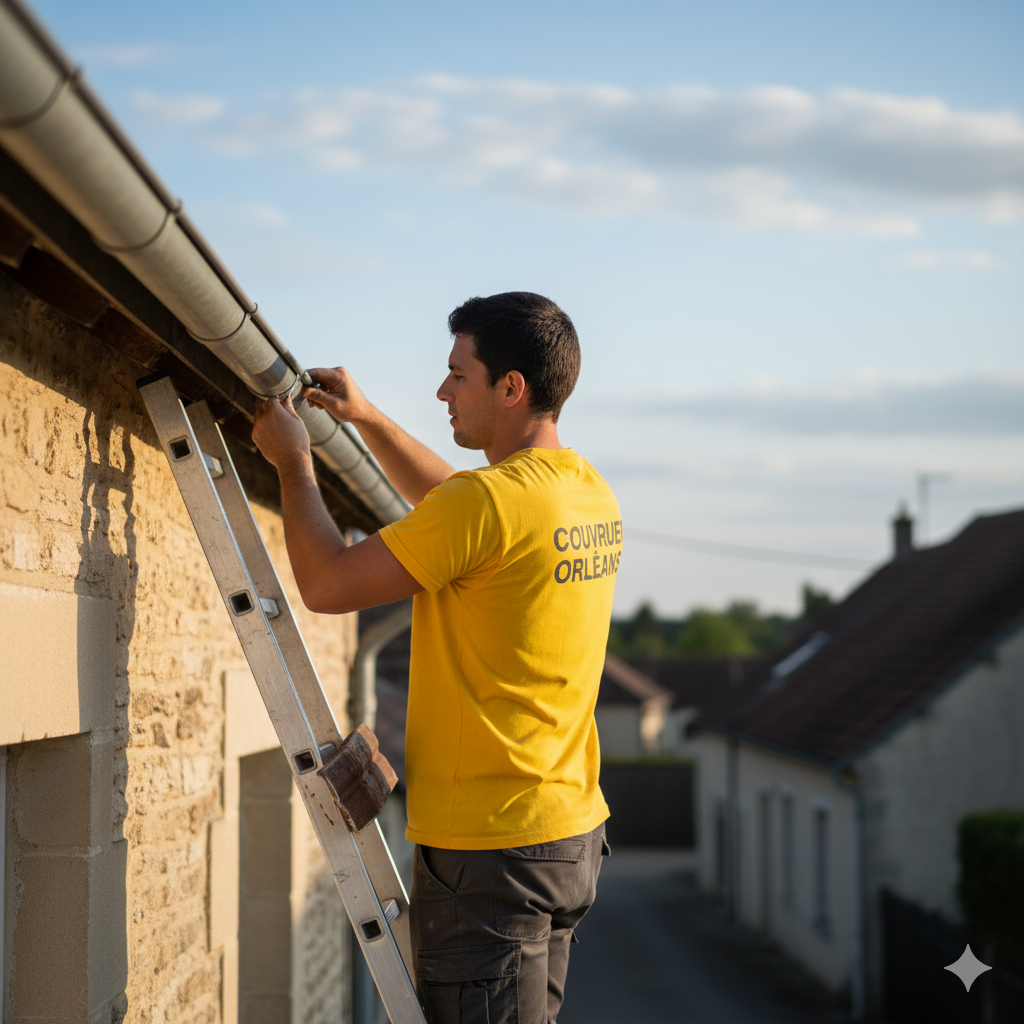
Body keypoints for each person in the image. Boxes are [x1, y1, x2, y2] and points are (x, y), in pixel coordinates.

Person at [251, 291, 622, 1023]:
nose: (442, 391)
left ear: (510, 388)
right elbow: (458, 503)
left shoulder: (487, 507)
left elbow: (326, 583)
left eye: (459, 374)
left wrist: (294, 463)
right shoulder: (583, 491)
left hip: (492, 861)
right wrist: (366, 420)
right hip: (568, 837)